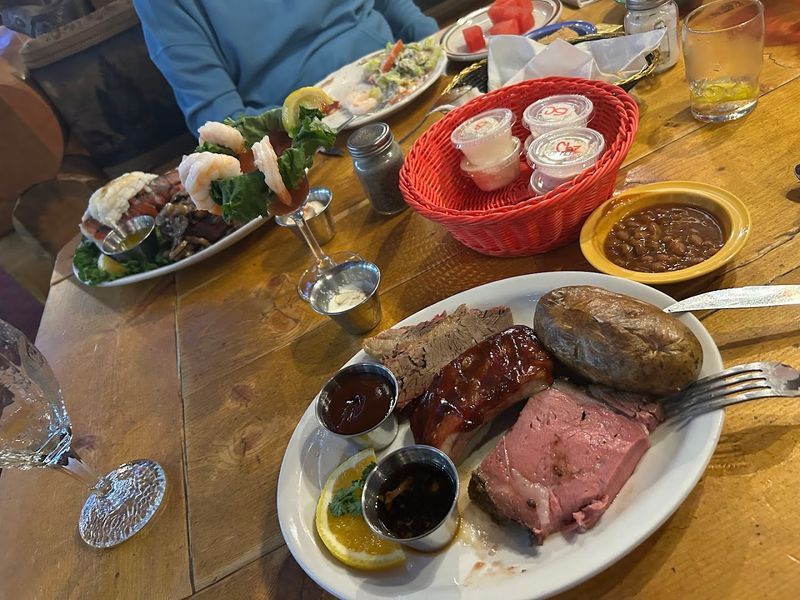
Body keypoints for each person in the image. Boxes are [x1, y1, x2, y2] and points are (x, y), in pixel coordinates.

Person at [132, 0, 439, 134]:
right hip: (310, 145)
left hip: (415, 85)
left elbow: (392, 6)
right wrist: (309, 132)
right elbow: (218, 121)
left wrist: (437, 46)